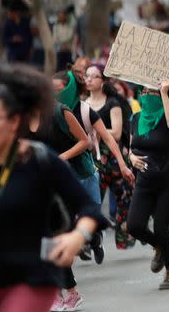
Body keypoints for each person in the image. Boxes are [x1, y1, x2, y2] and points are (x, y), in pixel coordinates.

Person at [0, 62, 106, 312]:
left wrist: (77, 236)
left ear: (14, 120)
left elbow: (88, 209)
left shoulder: (41, 161)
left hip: (35, 275)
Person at [29, 90, 96, 312]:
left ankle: (67, 292)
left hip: (64, 181)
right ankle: (62, 292)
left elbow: (84, 141)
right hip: (39, 185)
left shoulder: (60, 112)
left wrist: (59, 159)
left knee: (55, 236)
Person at [53, 70, 134, 251]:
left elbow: (110, 137)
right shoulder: (48, 112)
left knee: (90, 215)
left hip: (86, 171)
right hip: (61, 173)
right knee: (64, 218)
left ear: (70, 89)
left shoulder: (84, 110)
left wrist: (123, 165)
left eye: (58, 89)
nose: (54, 94)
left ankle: (95, 239)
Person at [127, 79, 169, 290]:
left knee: (161, 227)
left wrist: (163, 91)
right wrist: (131, 158)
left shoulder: (166, 115)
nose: (145, 94)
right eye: (143, 91)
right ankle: (159, 247)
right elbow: (131, 147)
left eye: (150, 92)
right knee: (134, 226)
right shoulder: (135, 118)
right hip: (145, 180)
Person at [83, 65, 136, 249]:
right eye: (87, 76)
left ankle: (125, 237)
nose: (89, 79)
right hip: (92, 158)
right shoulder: (83, 103)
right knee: (92, 199)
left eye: (94, 76)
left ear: (102, 81)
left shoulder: (112, 103)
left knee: (123, 198)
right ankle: (91, 239)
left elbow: (117, 132)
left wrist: (98, 131)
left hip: (113, 157)